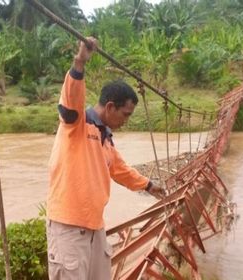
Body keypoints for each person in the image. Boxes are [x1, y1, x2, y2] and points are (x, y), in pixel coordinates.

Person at [46, 37, 164, 280]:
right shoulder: (77, 124)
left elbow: (120, 169)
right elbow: (70, 101)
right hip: (68, 227)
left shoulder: (106, 137)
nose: (127, 120)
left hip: (94, 227)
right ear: (110, 107)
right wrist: (80, 62)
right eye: (126, 114)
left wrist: (150, 186)